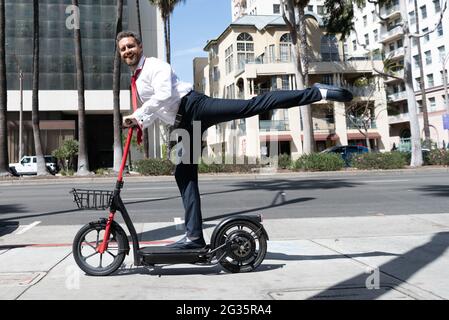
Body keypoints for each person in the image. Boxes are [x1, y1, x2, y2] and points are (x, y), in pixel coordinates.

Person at [117, 31, 353, 249]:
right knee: (184, 174)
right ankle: (194, 237)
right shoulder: (137, 79)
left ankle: (317, 92)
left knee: (250, 106)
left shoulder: (155, 66)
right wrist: (139, 122)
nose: (127, 51)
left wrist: (137, 115)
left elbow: (164, 95)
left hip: (195, 107)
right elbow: (159, 109)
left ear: (140, 46)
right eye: (123, 49)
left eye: (130, 46)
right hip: (183, 123)